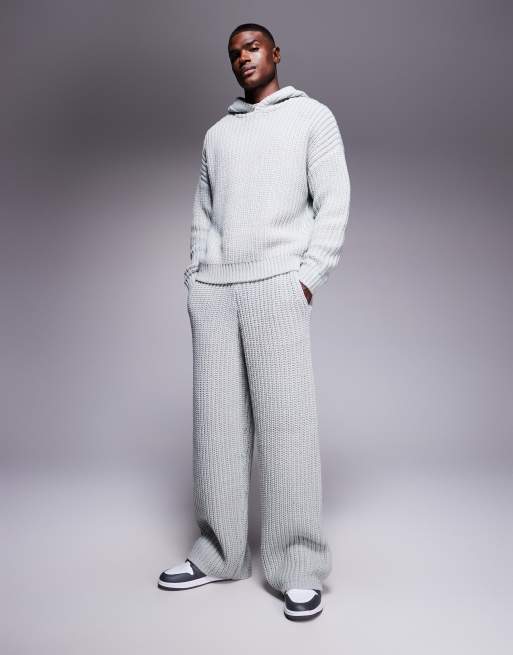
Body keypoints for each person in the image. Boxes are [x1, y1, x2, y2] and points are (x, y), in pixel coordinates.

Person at [158, 22, 351, 621]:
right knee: (216, 427)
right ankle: (218, 554)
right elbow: (203, 214)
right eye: (234, 53)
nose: (243, 58)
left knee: (287, 429)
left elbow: (334, 201)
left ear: (275, 52)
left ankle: (298, 565)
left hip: (276, 286)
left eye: (253, 47)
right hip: (215, 292)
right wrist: (196, 279)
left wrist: (306, 277)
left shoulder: (312, 118)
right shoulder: (218, 135)